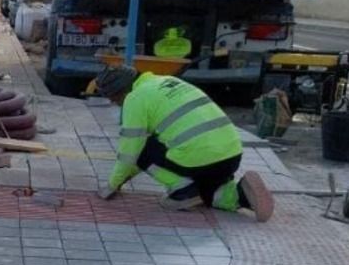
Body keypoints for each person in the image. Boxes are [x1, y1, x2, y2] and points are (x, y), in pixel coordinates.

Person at [92, 65, 274, 222]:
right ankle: (241, 196)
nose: (114, 103)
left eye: (113, 99)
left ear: (120, 91)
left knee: (142, 147)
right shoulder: (167, 81)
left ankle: (184, 190)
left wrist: (112, 185)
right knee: (209, 191)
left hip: (200, 158)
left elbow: (129, 152)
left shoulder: (135, 98)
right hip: (231, 155)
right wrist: (126, 177)